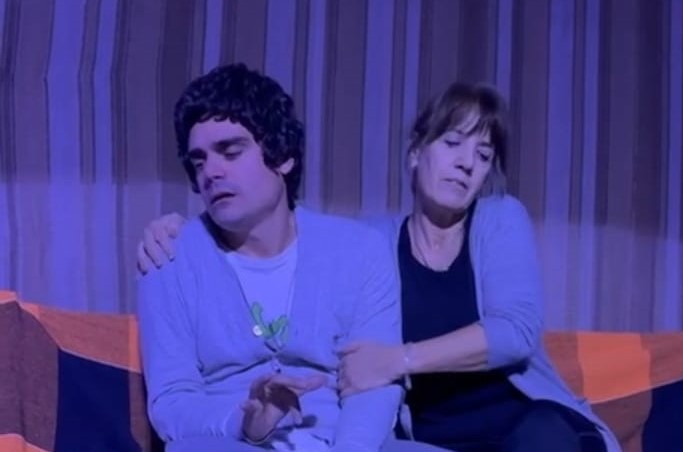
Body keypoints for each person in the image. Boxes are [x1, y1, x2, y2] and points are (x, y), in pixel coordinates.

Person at [138, 80, 621, 452]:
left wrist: (400, 359)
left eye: (483, 154)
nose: (466, 164)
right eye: (453, 143)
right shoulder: (371, 242)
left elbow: (515, 331)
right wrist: (179, 230)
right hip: (433, 432)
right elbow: (175, 398)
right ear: (416, 153)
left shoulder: (497, 220)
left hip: (522, 423)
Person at [136, 63, 446, 452]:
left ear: (282, 156)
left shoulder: (359, 251)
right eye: (199, 161)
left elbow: (373, 382)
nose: (211, 171)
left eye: (230, 152)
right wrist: (245, 422)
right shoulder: (168, 259)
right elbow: (171, 402)